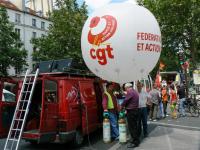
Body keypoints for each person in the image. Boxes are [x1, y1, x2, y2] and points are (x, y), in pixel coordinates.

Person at [121, 83, 140, 148]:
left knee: (132, 127)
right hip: (135, 110)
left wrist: (121, 106)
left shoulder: (130, 92)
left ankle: (135, 142)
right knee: (134, 126)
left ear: (127, 87)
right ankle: (135, 140)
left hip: (131, 111)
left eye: (125, 88)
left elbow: (125, 100)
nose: (126, 90)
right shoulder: (134, 91)